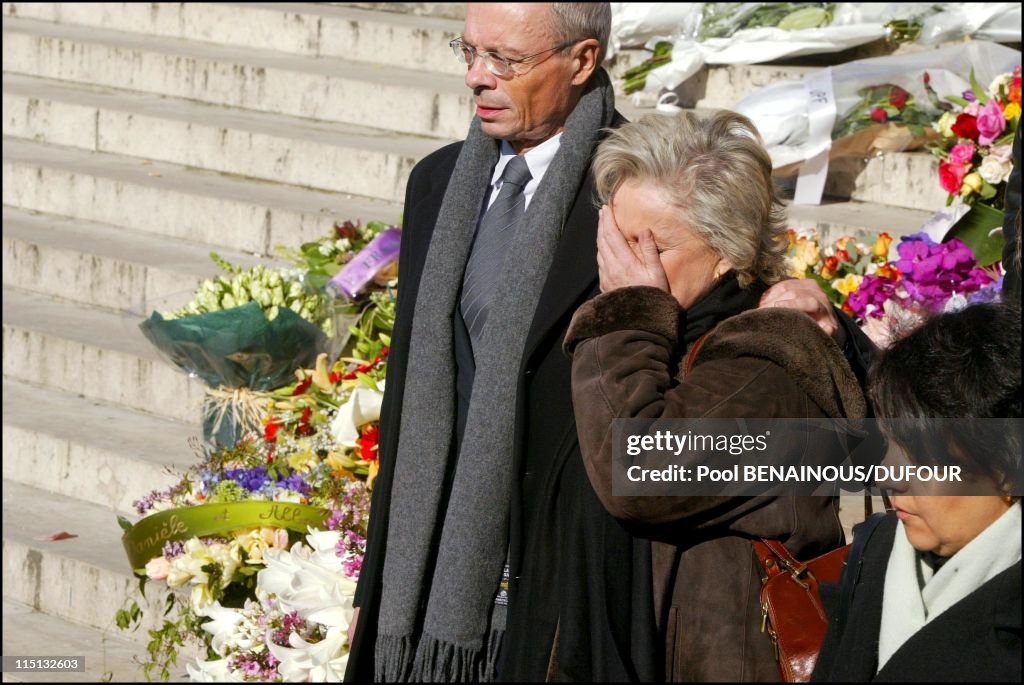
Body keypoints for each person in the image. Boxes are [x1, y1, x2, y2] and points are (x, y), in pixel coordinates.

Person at [346, 4, 861, 682]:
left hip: (557, 569)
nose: (477, 76)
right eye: (468, 50)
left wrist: (818, 314)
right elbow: (415, 385)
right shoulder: (439, 181)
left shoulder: (634, 190)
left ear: (583, 59)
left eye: (505, 59)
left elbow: (741, 308)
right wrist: (375, 583)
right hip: (429, 568)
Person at [562, 110, 868, 681]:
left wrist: (627, 316)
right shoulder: (658, 332)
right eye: (617, 241)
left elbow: (640, 470)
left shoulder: (768, 362)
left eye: (650, 246)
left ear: (728, 249)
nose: (624, 267)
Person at [813, 302, 1022, 682]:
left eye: (920, 457)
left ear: (1006, 467)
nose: (889, 476)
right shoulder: (876, 551)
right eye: (891, 445)